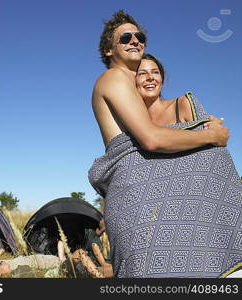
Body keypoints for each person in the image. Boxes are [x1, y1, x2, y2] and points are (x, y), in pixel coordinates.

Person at [88, 10, 242, 278]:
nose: (135, 40)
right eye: (125, 37)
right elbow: (152, 139)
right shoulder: (114, 78)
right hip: (139, 199)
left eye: (140, 36)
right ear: (108, 50)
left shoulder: (133, 90)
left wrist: (191, 128)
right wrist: (211, 136)